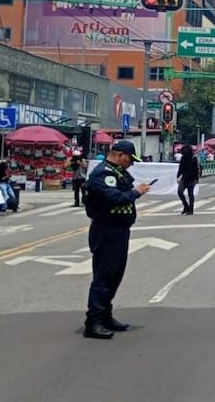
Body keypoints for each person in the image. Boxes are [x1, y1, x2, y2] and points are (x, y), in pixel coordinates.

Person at [81, 140, 152, 339]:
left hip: (119, 229)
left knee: (115, 275)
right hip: (107, 230)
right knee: (104, 277)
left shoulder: (117, 172)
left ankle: (105, 315)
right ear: (120, 155)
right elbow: (114, 198)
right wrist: (136, 192)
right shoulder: (103, 173)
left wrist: (133, 192)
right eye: (130, 159)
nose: (132, 164)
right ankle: (93, 322)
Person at [176, 144, 200, 215]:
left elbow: (197, 169)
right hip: (184, 178)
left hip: (192, 179)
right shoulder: (183, 158)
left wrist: (197, 179)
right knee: (180, 192)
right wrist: (178, 176)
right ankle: (186, 206)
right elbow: (180, 168)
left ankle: (191, 210)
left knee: (190, 194)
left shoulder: (194, 158)